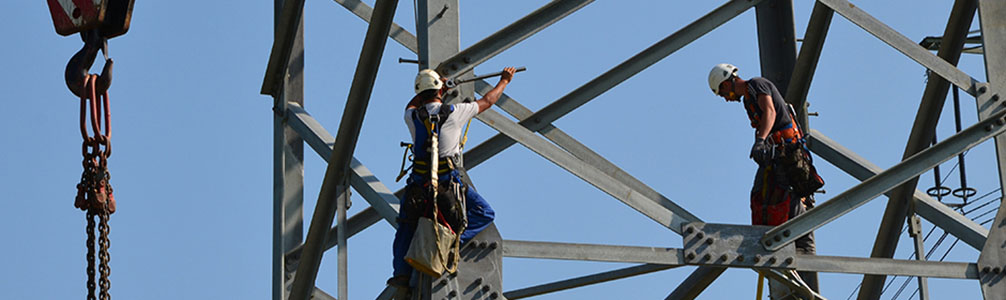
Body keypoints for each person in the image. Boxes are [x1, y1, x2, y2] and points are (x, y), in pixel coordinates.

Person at [388, 67, 517, 289]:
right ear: (439, 90)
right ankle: (450, 246)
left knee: (406, 226)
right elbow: (488, 101)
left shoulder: (412, 116)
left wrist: (436, 87)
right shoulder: (455, 112)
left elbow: (411, 104)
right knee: (484, 213)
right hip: (447, 183)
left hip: (418, 185)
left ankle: (401, 274)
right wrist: (504, 81)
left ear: (419, 94)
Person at [707, 63, 819, 292]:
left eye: (723, 92)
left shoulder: (757, 85)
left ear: (727, 82)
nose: (726, 98)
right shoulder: (748, 100)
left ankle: (794, 254)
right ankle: (777, 251)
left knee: (779, 199)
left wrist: (760, 141)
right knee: (762, 197)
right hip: (778, 155)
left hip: (786, 154)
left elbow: (770, 111)